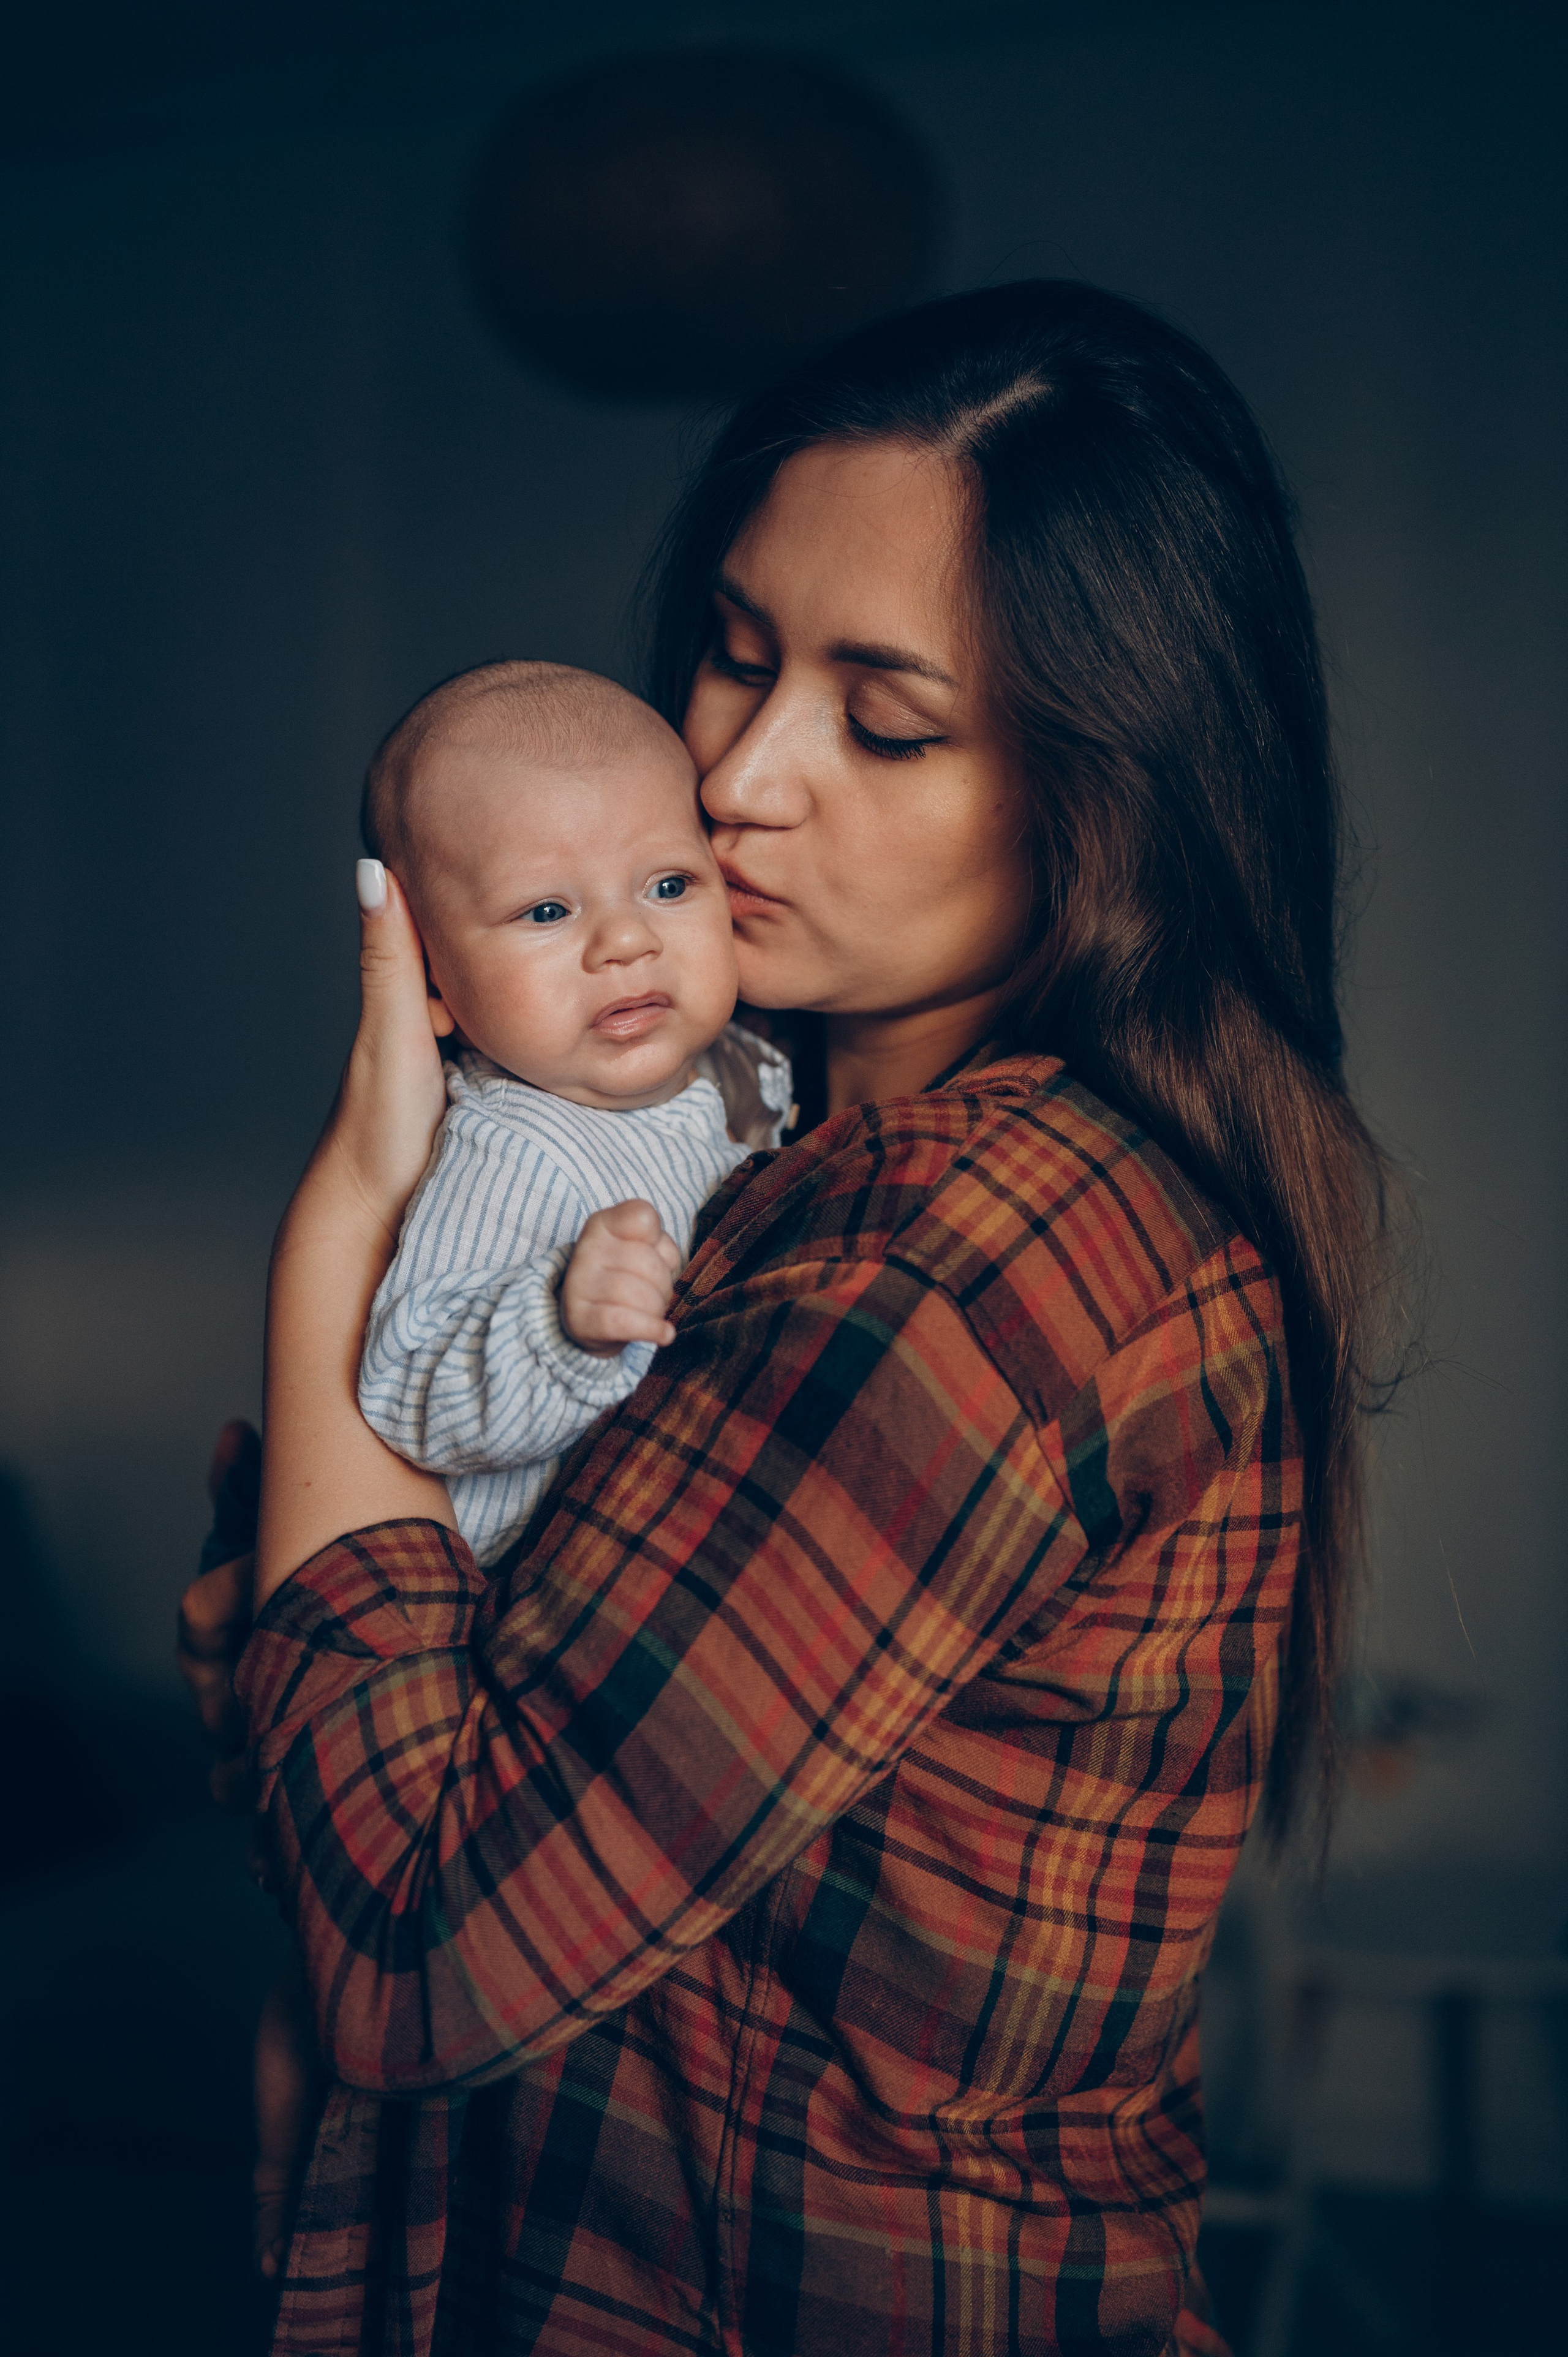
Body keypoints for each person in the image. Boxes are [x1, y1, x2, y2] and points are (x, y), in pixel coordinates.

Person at [180, 279, 1391, 2357]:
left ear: (1115, 788)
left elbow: (407, 1950)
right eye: (734, 657)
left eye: (886, 720)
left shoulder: (980, 1250)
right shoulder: (752, 1157)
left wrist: (340, 1232)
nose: (737, 773)